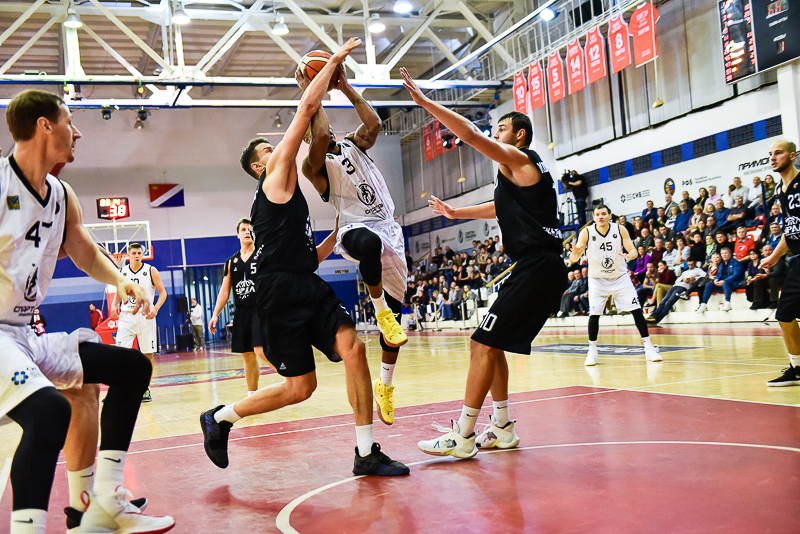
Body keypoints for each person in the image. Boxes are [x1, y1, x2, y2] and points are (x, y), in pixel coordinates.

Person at [203, 39, 408, 477]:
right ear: (259, 168)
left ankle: (366, 452)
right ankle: (221, 417)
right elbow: (307, 111)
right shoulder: (274, 179)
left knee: (353, 348)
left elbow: (308, 260)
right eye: (266, 150)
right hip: (277, 292)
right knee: (301, 388)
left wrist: (338, 234)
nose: (275, 149)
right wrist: (330, 64)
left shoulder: (289, 195)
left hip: (304, 281)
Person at [1, 89, 173, 534]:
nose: (77, 132)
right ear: (44, 126)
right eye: (69, 121)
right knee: (47, 412)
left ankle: (96, 507)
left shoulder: (61, 194)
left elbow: (84, 251)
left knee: (129, 370)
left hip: (24, 333)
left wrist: (121, 279)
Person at [402, 68, 568, 458]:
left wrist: (426, 103)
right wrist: (456, 213)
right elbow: (499, 207)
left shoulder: (521, 159)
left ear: (519, 135)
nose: (496, 133)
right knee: (493, 346)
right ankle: (503, 428)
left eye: (502, 129)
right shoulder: (519, 177)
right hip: (537, 266)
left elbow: (472, 135)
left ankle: (463, 435)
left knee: (480, 344)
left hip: (537, 266)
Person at [300, 70, 412, 424]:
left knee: (395, 324)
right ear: (307, 138)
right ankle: (379, 310)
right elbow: (320, 133)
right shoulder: (312, 166)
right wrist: (314, 89)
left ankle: (386, 385)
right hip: (352, 228)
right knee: (368, 243)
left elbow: (375, 124)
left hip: (389, 228)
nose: (323, 131)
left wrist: (345, 86)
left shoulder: (353, 143)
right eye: (313, 130)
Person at [569, 205, 661, 366]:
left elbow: (633, 250)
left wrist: (630, 255)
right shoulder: (587, 232)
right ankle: (592, 351)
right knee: (594, 314)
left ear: (610, 216)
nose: (600, 216)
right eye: (597, 214)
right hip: (597, 279)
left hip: (619, 277)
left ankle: (649, 347)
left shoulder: (619, 229)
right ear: (594, 217)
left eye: (604, 214)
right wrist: (575, 252)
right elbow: (574, 259)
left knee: (636, 310)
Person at [209, 218, 270, 396]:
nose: (247, 232)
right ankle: (252, 395)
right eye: (243, 229)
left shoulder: (262, 255)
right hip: (242, 311)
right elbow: (224, 291)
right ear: (237, 234)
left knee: (260, 350)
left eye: (249, 229)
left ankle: (290, 375)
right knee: (247, 355)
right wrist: (215, 314)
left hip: (260, 309)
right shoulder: (231, 262)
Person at [760, 140, 800, 386]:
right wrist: (774, 256)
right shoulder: (779, 190)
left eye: (778, 153)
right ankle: (797, 368)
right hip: (795, 259)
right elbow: (790, 228)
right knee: (785, 315)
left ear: (792, 156)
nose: (772, 158)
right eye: (770, 154)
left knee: (785, 313)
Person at [111, 242, 167, 403]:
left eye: (139, 253)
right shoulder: (122, 271)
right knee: (120, 354)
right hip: (126, 316)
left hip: (145, 316)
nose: (136, 256)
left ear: (142, 255)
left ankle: (145, 388)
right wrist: (114, 304)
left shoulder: (151, 270)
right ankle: (119, 388)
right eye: (134, 253)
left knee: (147, 354)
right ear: (128, 255)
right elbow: (119, 291)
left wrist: (156, 308)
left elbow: (163, 293)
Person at [646, 260, 707, 324]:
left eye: (692, 264)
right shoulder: (685, 272)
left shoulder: (698, 270)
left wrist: (695, 278)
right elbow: (677, 281)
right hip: (675, 286)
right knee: (663, 301)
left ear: (694, 264)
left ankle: (656, 320)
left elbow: (705, 276)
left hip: (683, 287)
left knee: (669, 303)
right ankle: (653, 315)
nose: (690, 266)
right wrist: (683, 279)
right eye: (689, 264)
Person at [696, 247, 744, 312]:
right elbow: (718, 274)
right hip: (723, 284)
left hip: (735, 283)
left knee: (726, 283)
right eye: (722, 254)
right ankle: (703, 304)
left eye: (726, 253)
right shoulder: (722, 264)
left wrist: (724, 281)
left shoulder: (736, 263)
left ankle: (728, 303)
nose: (724, 255)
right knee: (708, 285)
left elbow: (736, 275)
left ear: (730, 254)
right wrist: (716, 280)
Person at [753, 244, 786, 309]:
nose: (768, 252)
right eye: (766, 250)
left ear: (773, 251)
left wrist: (765, 274)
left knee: (772, 279)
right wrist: (758, 276)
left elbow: (777, 272)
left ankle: (774, 302)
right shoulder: (763, 260)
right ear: (763, 252)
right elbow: (761, 272)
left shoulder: (777, 258)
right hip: (770, 278)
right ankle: (757, 302)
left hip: (783, 279)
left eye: (770, 250)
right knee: (758, 281)